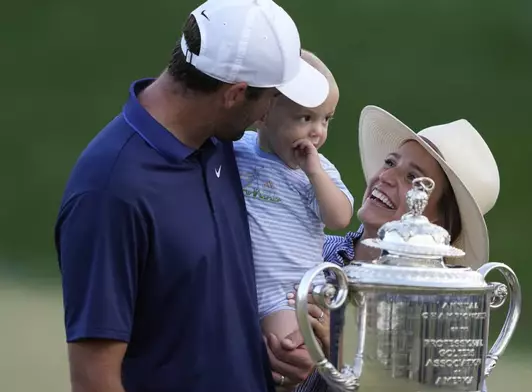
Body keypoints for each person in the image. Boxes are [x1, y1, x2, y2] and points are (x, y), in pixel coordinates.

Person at [53, 1, 330, 391]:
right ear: (235, 94)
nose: (271, 110)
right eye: (272, 97)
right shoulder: (111, 190)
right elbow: (93, 379)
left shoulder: (223, 145)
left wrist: (263, 352)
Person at [277, 105, 500, 391]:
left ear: (439, 221)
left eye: (412, 179)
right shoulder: (313, 250)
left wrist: (345, 354)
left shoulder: (443, 313)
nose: (385, 176)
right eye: (391, 162)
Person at [234, 48, 353, 382]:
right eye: (306, 118)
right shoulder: (238, 149)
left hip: (284, 294)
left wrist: (314, 172)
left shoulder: (319, 173)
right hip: (233, 284)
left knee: (289, 359)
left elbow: (340, 217)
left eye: (326, 119)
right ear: (263, 115)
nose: (318, 131)